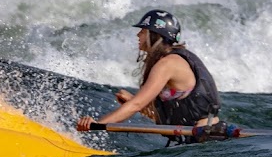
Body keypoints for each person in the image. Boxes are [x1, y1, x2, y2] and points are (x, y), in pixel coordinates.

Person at [76, 10, 223, 142]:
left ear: (154, 35)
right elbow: (167, 117)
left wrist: (96, 125)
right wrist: (134, 103)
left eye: (143, 31)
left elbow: (136, 105)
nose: (138, 35)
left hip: (206, 139)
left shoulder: (168, 64)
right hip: (198, 139)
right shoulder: (172, 59)